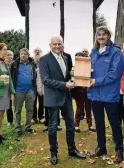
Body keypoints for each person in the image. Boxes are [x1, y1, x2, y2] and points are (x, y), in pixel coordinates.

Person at [39, 35, 86, 165]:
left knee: (71, 124)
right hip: (53, 97)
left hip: (66, 97)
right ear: (50, 45)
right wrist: (64, 85)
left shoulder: (65, 58)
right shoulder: (44, 60)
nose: (57, 46)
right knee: (53, 127)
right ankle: (53, 153)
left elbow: (65, 76)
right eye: (54, 44)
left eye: (59, 44)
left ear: (62, 44)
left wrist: (72, 79)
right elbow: (46, 80)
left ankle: (72, 149)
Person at [88, 26, 124, 163]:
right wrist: (79, 74)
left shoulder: (116, 52)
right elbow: (88, 71)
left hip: (109, 95)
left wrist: (96, 81)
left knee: (114, 123)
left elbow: (114, 74)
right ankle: (101, 147)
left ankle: (119, 150)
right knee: (99, 123)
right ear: (96, 36)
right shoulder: (93, 52)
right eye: (99, 34)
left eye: (104, 34)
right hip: (95, 95)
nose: (101, 37)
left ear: (109, 36)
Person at [11, 48, 37, 136]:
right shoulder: (15, 64)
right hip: (18, 91)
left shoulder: (32, 64)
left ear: (28, 55)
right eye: (22, 54)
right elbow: (11, 77)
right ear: (19, 55)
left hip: (30, 91)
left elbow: (35, 76)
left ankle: (28, 126)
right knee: (17, 110)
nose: (23, 55)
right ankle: (18, 127)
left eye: (25, 54)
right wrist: (12, 91)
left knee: (30, 109)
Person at [72, 50, 95, 133]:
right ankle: (76, 125)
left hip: (88, 89)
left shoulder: (88, 67)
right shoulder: (74, 68)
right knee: (79, 108)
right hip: (79, 90)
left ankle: (90, 125)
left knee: (88, 107)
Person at [32, 47, 45, 124]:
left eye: (38, 51)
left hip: (42, 84)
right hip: (33, 85)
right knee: (33, 102)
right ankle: (33, 117)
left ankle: (41, 116)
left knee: (41, 101)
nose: (37, 52)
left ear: (41, 52)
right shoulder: (31, 62)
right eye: (35, 51)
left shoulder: (43, 61)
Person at [5, 50, 14, 127]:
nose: (9, 56)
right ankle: (10, 121)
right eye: (8, 55)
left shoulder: (15, 65)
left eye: (11, 55)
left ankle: (18, 120)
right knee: (8, 105)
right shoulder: (3, 65)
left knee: (18, 105)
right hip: (7, 88)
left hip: (16, 87)